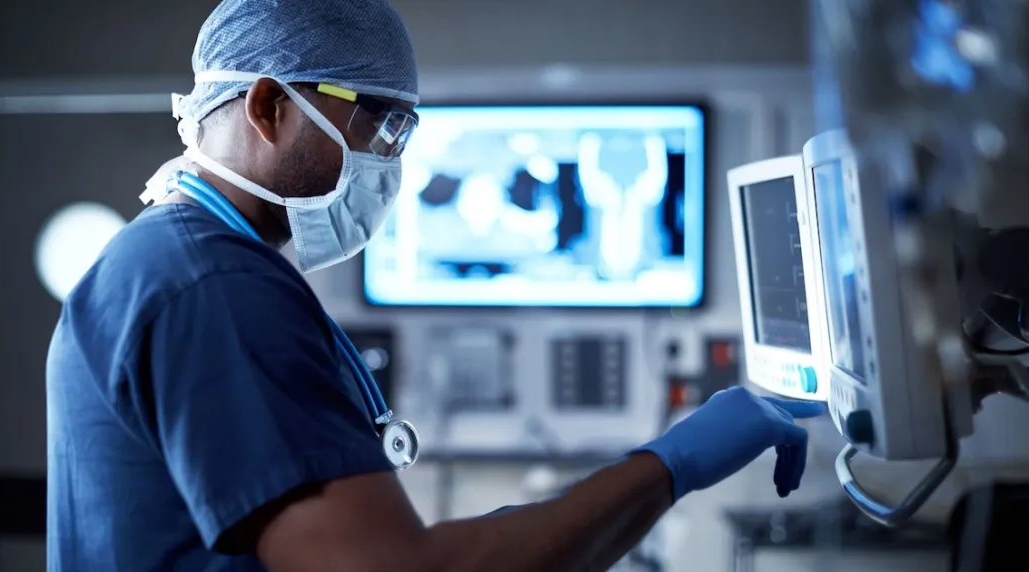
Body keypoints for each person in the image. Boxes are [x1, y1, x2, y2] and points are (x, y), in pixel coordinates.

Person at [44, 1, 827, 570]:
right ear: (269, 105)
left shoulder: (167, 261)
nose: (393, 164)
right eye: (381, 126)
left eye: (405, 134)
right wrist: (673, 465)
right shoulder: (214, 285)